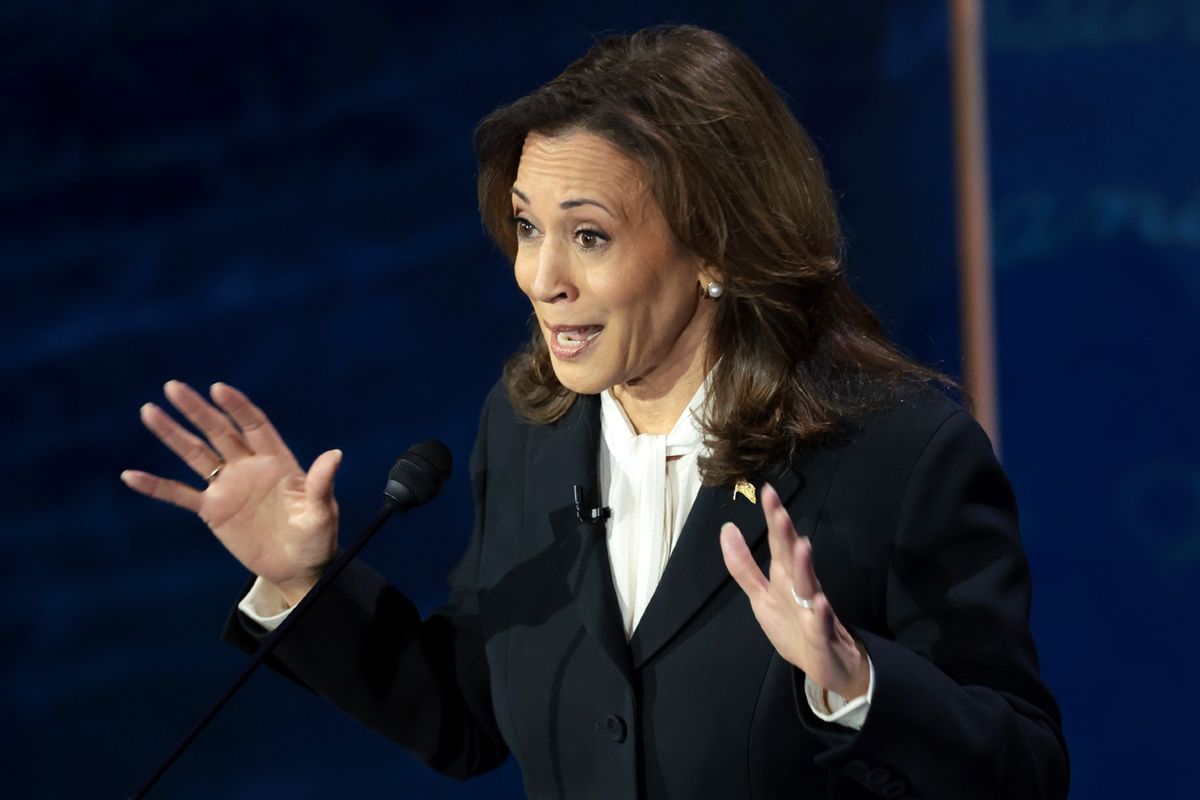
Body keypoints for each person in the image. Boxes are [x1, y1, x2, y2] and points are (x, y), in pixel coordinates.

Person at [122, 25, 1068, 799]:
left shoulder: (894, 452)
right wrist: (305, 587)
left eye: (588, 235)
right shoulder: (530, 430)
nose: (540, 278)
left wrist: (856, 686)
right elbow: (469, 715)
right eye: (529, 228)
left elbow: (1025, 770)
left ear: (716, 251)